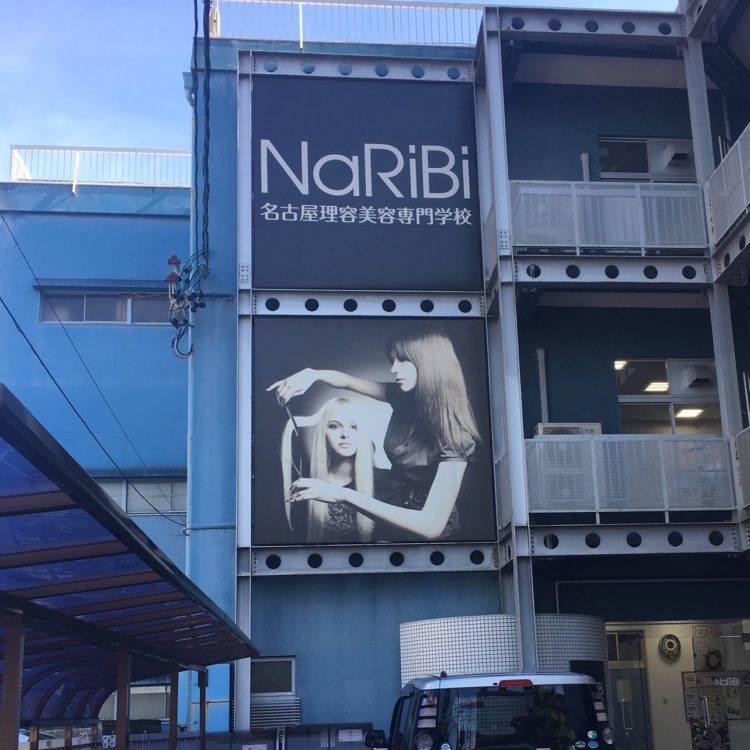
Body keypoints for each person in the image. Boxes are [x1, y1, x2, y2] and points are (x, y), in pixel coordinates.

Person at [268, 323, 480, 541]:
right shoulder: (406, 398)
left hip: (432, 542)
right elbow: (348, 382)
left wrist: (342, 495)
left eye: (402, 359)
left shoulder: (457, 433)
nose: (393, 369)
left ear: (429, 362)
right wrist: (312, 374)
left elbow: (431, 526)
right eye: (392, 360)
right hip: (391, 520)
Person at [281, 397, 376, 543]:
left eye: (353, 426)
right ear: (323, 432)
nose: (345, 434)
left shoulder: (386, 484)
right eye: (334, 426)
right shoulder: (306, 487)